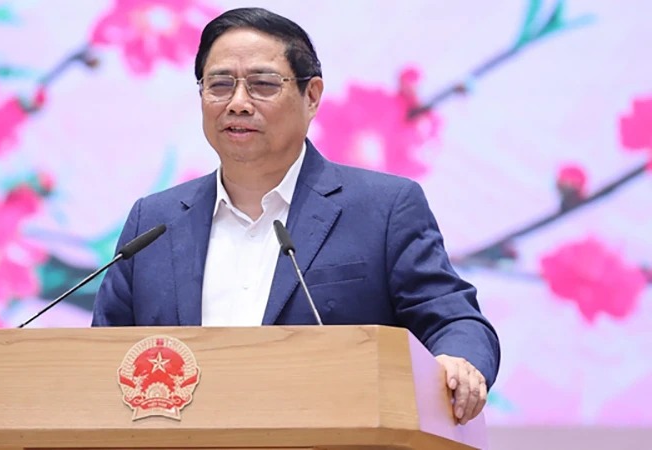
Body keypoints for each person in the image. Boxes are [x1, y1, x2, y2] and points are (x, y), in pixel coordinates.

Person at [92, 7, 500, 425]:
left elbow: (453, 318)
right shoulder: (153, 221)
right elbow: (98, 360)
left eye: (263, 85)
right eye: (220, 85)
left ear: (312, 96)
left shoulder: (384, 208)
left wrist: (459, 362)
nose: (238, 103)